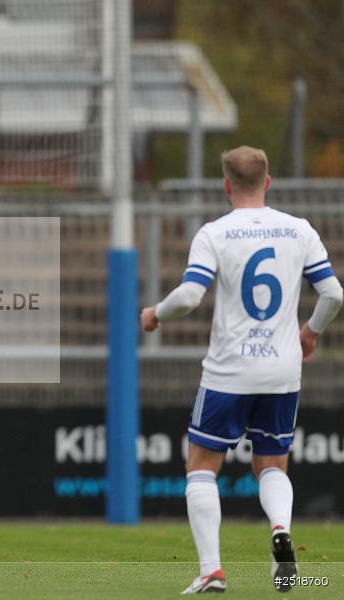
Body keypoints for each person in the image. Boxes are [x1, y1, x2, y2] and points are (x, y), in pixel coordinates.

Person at [140, 146, 342, 594]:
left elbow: (190, 296)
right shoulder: (299, 230)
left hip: (230, 370)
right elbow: (334, 295)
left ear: (227, 185)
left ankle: (212, 570)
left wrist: (155, 313)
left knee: (201, 467)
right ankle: (280, 530)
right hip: (283, 369)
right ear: (267, 182)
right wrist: (310, 332)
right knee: (272, 464)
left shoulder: (216, 233)